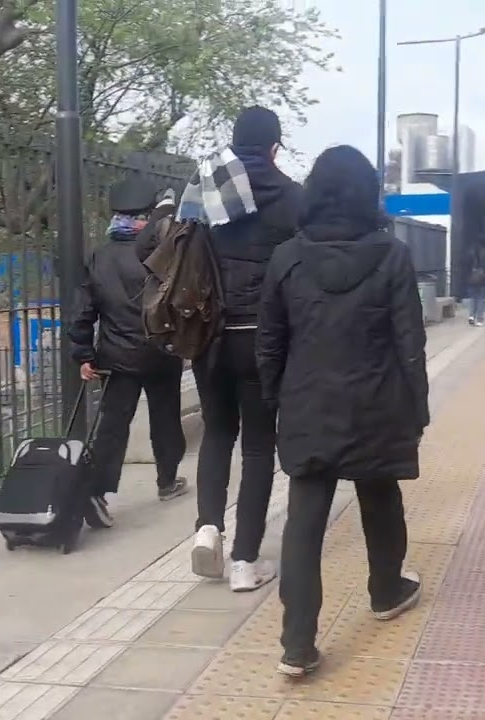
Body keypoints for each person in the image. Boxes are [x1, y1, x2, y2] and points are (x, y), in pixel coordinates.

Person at [258, 145, 428, 678]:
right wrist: (417, 407)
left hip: (308, 402)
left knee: (304, 519)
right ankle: (386, 590)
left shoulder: (286, 258)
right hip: (376, 401)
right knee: (380, 496)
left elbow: (270, 343)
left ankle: (297, 643)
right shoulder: (393, 255)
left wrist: (276, 400)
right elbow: (410, 341)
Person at [182, 106, 304, 592]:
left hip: (208, 336)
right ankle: (244, 563)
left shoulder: (207, 189)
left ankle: (208, 528)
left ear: (235, 143)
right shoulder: (295, 198)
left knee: (217, 434)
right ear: (275, 147)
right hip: (264, 340)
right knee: (258, 447)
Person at [67, 190, 189, 529]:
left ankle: (98, 492)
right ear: (148, 217)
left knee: (112, 425)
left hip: (117, 356)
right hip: (162, 352)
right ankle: (167, 480)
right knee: (165, 418)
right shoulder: (163, 254)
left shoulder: (99, 258)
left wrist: (83, 353)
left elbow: (83, 311)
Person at [466, 239, 485, 326]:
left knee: (473, 298)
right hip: (483, 279)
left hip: (471, 278)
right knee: (481, 299)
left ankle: (471, 316)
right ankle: (479, 319)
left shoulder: (470, 253)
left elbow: (464, 266)